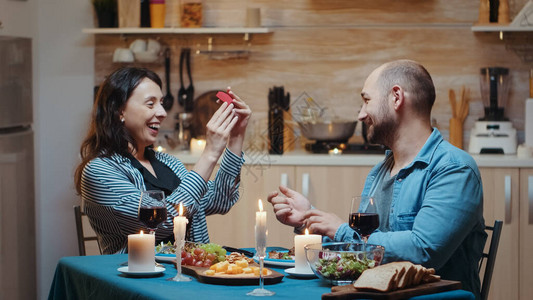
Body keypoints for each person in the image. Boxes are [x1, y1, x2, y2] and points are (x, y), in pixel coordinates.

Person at [267, 60, 486, 298]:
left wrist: (340, 230)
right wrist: (308, 219)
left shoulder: (454, 169)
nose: (361, 114)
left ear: (396, 97)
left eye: (367, 100)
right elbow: (360, 253)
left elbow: (424, 250)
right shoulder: (380, 171)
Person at [74, 67, 251, 254]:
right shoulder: (100, 171)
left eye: (161, 103)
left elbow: (220, 201)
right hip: (138, 278)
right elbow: (161, 223)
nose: (162, 112)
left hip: (188, 272)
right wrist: (210, 154)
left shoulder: (169, 163)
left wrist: (236, 136)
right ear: (119, 111)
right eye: (150, 104)